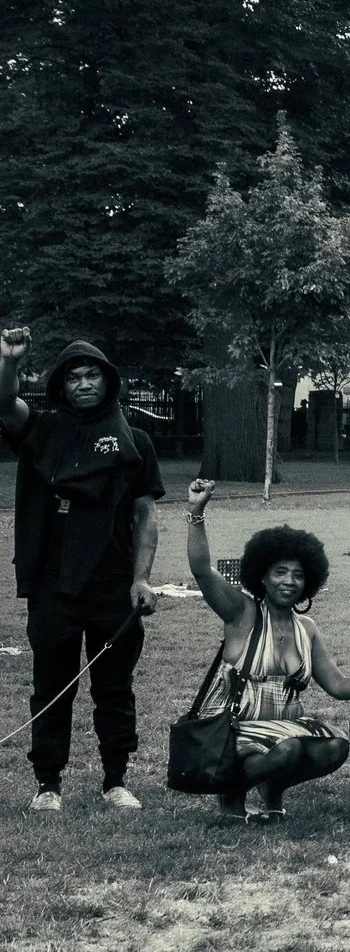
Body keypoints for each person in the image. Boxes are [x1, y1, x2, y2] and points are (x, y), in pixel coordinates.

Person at [3, 332, 160, 813]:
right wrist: (9, 363)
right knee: (52, 686)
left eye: (92, 375)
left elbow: (144, 517)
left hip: (113, 582)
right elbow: (4, 405)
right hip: (54, 583)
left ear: (109, 382)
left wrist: (140, 578)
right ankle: (47, 784)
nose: (83, 384)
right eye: (73, 377)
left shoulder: (135, 442)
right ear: (61, 386)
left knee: (114, 688)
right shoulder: (44, 431)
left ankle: (116, 780)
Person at [182, 479, 350, 821]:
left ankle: (272, 790)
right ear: (262, 577)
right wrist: (196, 512)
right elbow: (202, 571)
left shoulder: (306, 629)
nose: (289, 582)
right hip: (234, 729)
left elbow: (339, 687)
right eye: (280, 573)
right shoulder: (242, 613)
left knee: (335, 747)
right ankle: (231, 794)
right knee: (288, 749)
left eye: (297, 575)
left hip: (283, 729)